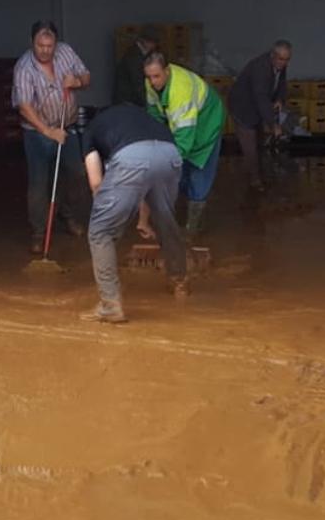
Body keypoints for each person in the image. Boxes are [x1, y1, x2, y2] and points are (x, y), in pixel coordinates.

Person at [80, 103, 189, 323]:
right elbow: (146, 181)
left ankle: (110, 305)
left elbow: (96, 183)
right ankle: (179, 282)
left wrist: (107, 214)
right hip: (169, 154)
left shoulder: (91, 131)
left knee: (100, 232)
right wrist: (143, 220)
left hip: (131, 158)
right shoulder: (139, 116)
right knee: (166, 219)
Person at [12, 20, 92, 251]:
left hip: (67, 127)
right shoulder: (24, 68)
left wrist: (76, 81)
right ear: (32, 42)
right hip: (37, 132)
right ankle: (38, 232)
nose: (45, 50)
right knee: (39, 183)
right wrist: (48, 132)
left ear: (56, 43)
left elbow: (87, 77)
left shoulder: (65, 52)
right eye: (40, 45)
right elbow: (25, 107)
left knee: (77, 172)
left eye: (50, 45)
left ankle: (66, 213)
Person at [141, 50, 225, 238]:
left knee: (197, 174)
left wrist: (162, 167)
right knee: (179, 173)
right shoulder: (151, 84)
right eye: (149, 77)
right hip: (181, 125)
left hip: (206, 125)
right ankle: (173, 219)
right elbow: (155, 115)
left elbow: (184, 143)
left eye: (157, 76)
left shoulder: (181, 92)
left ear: (167, 71)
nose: (153, 81)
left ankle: (193, 229)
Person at [227, 40, 293, 191]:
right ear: (273, 55)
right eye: (281, 59)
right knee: (249, 144)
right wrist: (273, 124)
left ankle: (261, 174)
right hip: (242, 107)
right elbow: (261, 97)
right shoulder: (260, 68)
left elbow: (282, 83)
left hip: (257, 107)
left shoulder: (280, 65)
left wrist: (279, 99)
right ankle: (255, 181)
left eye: (287, 59)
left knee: (259, 142)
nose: (284, 63)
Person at [113, 31, 158, 107]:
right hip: (128, 101)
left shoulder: (135, 53)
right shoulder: (134, 57)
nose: (154, 46)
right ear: (146, 41)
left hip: (128, 101)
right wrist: (150, 104)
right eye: (153, 42)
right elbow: (138, 82)